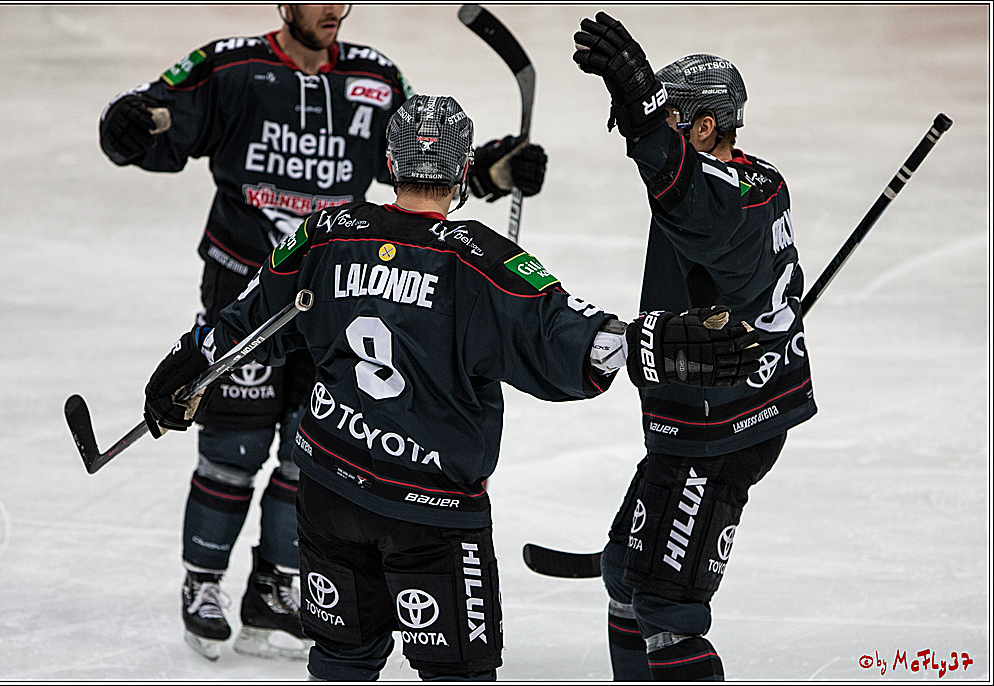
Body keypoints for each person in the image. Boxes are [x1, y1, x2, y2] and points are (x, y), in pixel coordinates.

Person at [140, 93, 761, 680]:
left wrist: (185, 366)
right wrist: (662, 340)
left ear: (388, 164)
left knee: (340, 661)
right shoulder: (485, 261)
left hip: (329, 493)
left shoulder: (325, 232)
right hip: (432, 515)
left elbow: (250, 321)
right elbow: (570, 339)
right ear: (465, 169)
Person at [97, 5, 549, 662]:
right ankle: (202, 582)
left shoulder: (374, 78)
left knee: (308, 450)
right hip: (244, 291)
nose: (334, 9)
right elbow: (150, 128)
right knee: (233, 445)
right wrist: (125, 127)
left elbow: (424, 165)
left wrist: (493, 169)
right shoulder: (231, 65)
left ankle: (276, 589)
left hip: (335, 289)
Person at [572, 12, 818, 681]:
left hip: (725, 428)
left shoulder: (718, 196)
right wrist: (648, 116)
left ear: (706, 127)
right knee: (627, 575)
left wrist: (645, 115)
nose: (668, 136)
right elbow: (682, 189)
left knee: (664, 605)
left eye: (679, 121)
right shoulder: (749, 179)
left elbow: (683, 194)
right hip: (705, 418)